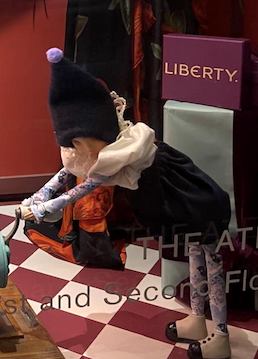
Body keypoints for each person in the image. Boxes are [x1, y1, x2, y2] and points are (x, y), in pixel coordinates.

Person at [20, 47, 232, 359]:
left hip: (194, 202)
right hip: (177, 205)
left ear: (94, 131)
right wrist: (39, 196)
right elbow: (67, 173)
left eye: (78, 142)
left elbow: (81, 188)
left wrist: (44, 208)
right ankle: (198, 320)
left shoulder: (121, 151)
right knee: (195, 257)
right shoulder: (106, 143)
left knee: (210, 267)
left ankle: (222, 337)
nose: (78, 149)